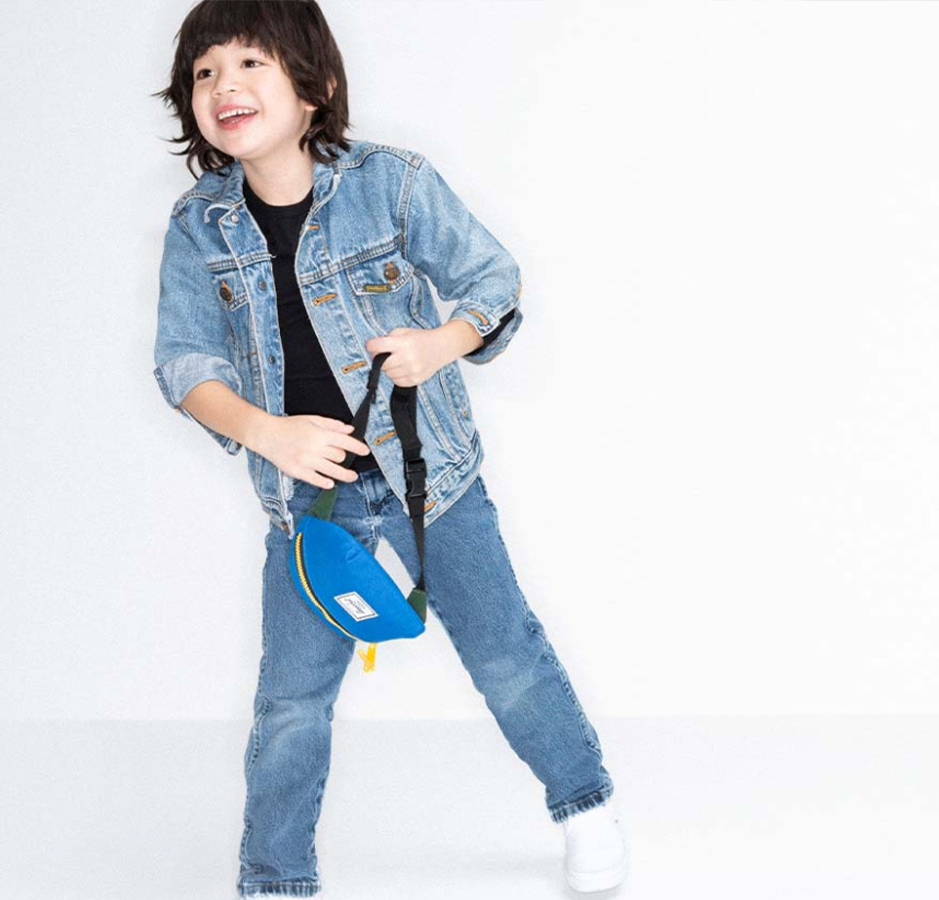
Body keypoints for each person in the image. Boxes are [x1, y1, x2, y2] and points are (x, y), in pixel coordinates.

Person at [151, 2, 628, 896]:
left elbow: (493, 280)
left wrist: (440, 343)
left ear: (315, 85)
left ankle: (584, 803)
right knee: (291, 700)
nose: (224, 85)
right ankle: (275, 877)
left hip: (430, 480)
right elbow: (183, 366)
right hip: (307, 504)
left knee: (505, 655)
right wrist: (267, 432)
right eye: (204, 72)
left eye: (250, 62)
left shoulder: (391, 183)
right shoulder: (198, 226)